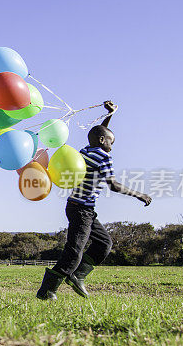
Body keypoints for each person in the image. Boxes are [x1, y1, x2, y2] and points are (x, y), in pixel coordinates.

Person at [36, 100, 152, 300]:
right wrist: (140, 194)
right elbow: (113, 185)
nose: (112, 146)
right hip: (82, 210)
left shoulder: (85, 151)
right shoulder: (104, 157)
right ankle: (47, 291)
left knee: (104, 243)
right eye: (111, 142)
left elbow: (100, 133)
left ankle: (77, 276)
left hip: (81, 208)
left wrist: (111, 115)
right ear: (102, 141)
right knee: (74, 253)